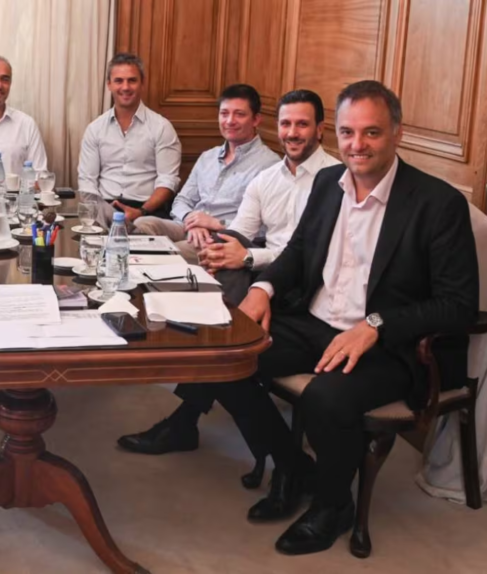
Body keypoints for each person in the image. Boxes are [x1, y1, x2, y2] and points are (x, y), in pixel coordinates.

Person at [201, 81, 477, 555]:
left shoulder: (437, 203)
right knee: (222, 357)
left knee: (325, 397)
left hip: (391, 344)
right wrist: (263, 289)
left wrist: (376, 325)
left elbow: (458, 304)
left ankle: (333, 506)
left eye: (372, 132)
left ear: (397, 133)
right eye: (348, 132)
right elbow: (299, 250)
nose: (357, 144)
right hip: (315, 321)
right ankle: (294, 467)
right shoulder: (329, 183)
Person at [118, 89, 341, 456]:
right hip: (266, 279)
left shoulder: (335, 180)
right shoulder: (268, 178)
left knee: (225, 338)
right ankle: (189, 384)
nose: (292, 132)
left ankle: (187, 406)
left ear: (320, 129)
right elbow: (240, 230)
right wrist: (220, 250)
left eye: (302, 124)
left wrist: (248, 257)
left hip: (310, 289)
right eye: (286, 124)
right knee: (219, 275)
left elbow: (312, 255)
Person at [130, 84, 279, 262]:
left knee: (172, 252)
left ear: (256, 119)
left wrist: (216, 224)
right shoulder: (208, 157)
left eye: (239, 114)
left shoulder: (270, 166)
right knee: (142, 225)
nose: (229, 121)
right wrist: (192, 220)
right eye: (224, 113)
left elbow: (265, 228)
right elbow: (181, 200)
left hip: (225, 237)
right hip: (189, 228)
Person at [78, 53, 181, 223]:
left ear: (142, 83)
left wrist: (141, 211)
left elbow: (168, 180)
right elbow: (87, 180)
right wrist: (97, 214)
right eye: (118, 81)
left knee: (143, 225)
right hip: (104, 207)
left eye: (132, 80)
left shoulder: (162, 127)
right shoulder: (95, 129)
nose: (125, 87)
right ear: (109, 84)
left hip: (147, 211)